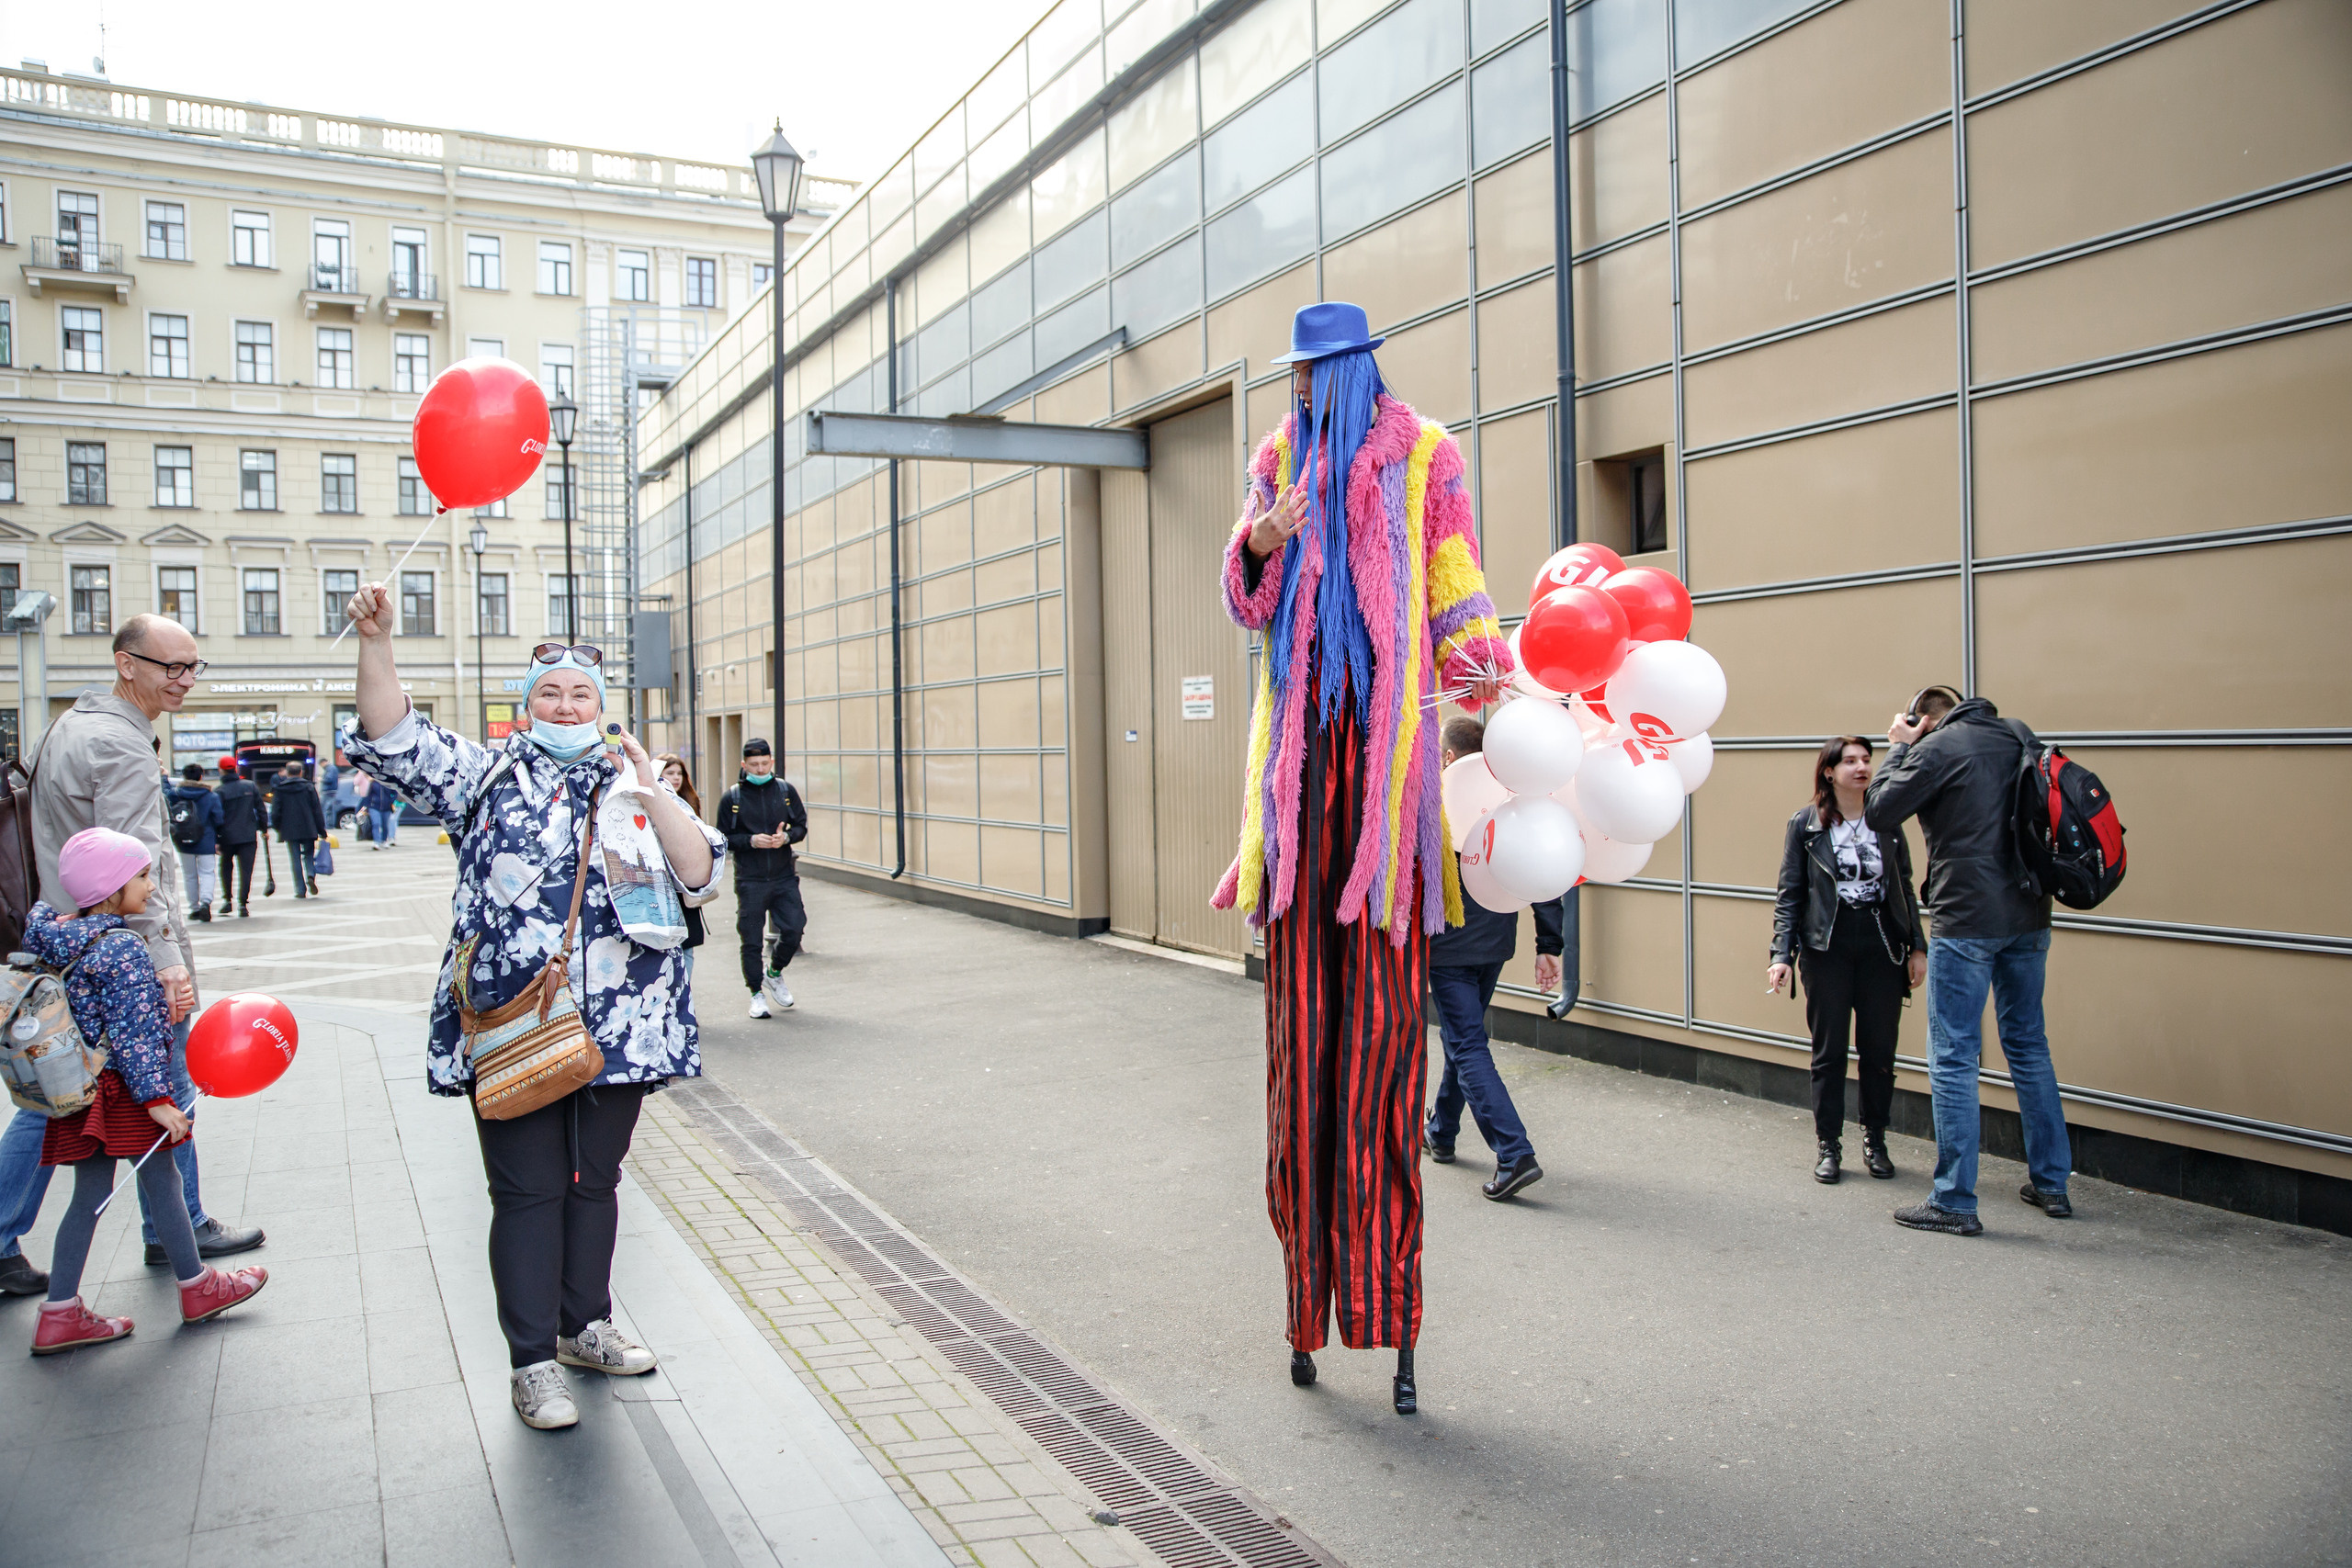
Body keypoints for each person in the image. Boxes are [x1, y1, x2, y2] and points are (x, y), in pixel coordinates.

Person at [1211, 303, 1511, 1415]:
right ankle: (1303, 1309)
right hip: (1300, 791)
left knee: (1383, 1065)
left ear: (1353, 368)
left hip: (1383, 796)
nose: (1298, 389)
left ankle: (1389, 1321)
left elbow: (1453, 581)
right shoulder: (1275, 458)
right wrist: (1262, 540)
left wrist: (1486, 673)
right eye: (1293, 373)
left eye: (1311, 371)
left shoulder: (1426, 452)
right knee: (1300, 1072)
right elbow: (1246, 601)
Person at [341, 603, 725, 1432]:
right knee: (527, 1191)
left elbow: (699, 874)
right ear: (526, 705)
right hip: (517, 1022)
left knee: (595, 1184)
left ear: (601, 706)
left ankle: (584, 1323)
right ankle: (532, 1362)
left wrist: (652, 792)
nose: (564, 708)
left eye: (579, 695)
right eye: (547, 694)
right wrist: (377, 644)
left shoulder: (635, 785)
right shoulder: (484, 774)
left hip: (623, 1029)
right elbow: (395, 733)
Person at [15, 614, 264, 1280]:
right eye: (171, 666)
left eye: (193, 665)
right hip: (116, 950)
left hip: (68, 940)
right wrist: (167, 961)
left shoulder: (71, 723)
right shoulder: (121, 745)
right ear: (128, 663)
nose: (185, 679)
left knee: (57, 1091)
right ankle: (181, 1230)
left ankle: (165, 1225)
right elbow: (135, 867)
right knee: (157, 1089)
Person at [24, 829, 268, 1353]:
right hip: (126, 1092)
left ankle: (59, 1312)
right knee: (164, 1181)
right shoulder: (123, 948)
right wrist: (159, 1101)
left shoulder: (63, 935)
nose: (149, 885)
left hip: (84, 1087)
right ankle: (197, 1287)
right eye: (138, 876)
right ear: (109, 889)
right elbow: (134, 1036)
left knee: (90, 1198)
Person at [1865, 686, 2071, 1235]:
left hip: (1967, 919)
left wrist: (1900, 748)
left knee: (1953, 1053)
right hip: (2030, 914)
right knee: (2027, 1043)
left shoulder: (1938, 747)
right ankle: (2052, 1183)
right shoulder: (2019, 735)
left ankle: (1954, 1200)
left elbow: (1880, 810)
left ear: (1922, 718)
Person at [1769, 736, 1927, 1184]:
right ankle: (1829, 1145)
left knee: (1879, 1052)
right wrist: (1781, 954)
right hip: (1826, 948)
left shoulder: (1887, 819)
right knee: (1829, 1051)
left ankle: (1875, 1139)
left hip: (1881, 945)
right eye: (1850, 761)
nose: (1862, 767)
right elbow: (1790, 895)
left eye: (1866, 760)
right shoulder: (1807, 824)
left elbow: (1905, 886)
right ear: (1829, 772)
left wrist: (1917, 947)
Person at [1424, 716, 1558, 1201]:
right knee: (1466, 1039)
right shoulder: (1514, 803)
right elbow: (1545, 868)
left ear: (1450, 757)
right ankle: (1441, 1132)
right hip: (1496, 941)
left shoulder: (1436, 801)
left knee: (1466, 1044)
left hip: (1450, 947)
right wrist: (1550, 946)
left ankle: (1514, 1152)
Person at [715, 739, 807, 1019]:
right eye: (754, 765)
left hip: (783, 876)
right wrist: (751, 841)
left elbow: (801, 825)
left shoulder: (785, 791)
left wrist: (786, 837)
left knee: (794, 927)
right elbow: (722, 838)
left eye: (764, 764)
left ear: (772, 762)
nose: (759, 768)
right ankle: (756, 993)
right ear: (744, 765)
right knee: (751, 939)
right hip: (750, 879)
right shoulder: (733, 797)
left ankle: (774, 972)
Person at [656, 753, 708, 961]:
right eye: (670, 773)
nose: (676, 778)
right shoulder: (648, 800)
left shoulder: (690, 801)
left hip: (685, 880)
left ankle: (686, 991)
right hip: (661, 879)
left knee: (688, 942)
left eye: (680, 773)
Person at [167, 763, 223, 922]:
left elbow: (167, 800)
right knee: (207, 872)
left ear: (184, 776)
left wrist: (164, 778)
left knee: (189, 875)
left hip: (183, 840)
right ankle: (206, 902)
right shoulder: (210, 796)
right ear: (201, 776)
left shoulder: (176, 794)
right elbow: (218, 818)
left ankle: (194, 908)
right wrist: (218, 838)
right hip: (206, 839)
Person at [215, 759, 266, 918]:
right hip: (248, 835)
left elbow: (217, 816)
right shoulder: (250, 786)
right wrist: (263, 829)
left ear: (221, 770)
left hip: (227, 837)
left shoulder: (219, 791)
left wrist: (216, 838)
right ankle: (243, 903)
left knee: (225, 868)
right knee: (246, 871)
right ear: (235, 769)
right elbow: (261, 809)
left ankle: (227, 900)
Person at [272, 760, 327, 897]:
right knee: (308, 855)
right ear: (301, 772)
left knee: (295, 859)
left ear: (287, 773)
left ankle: (300, 890)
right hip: (309, 827)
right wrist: (322, 830)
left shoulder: (280, 789)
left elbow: (275, 812)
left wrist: (278, 828)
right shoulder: (309, 787)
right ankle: (310, 875)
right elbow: (317, 810)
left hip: (289, 829)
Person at [365, 773, 401, 848]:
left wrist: (390, 801)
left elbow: (395, 793)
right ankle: (376, 842)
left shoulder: (388, 783)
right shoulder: (374, 783)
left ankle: (383, 840)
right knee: (376, 823)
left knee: (385, 825)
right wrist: (367, 807)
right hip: (374, 806)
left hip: (386, 807)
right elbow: (368, 796)